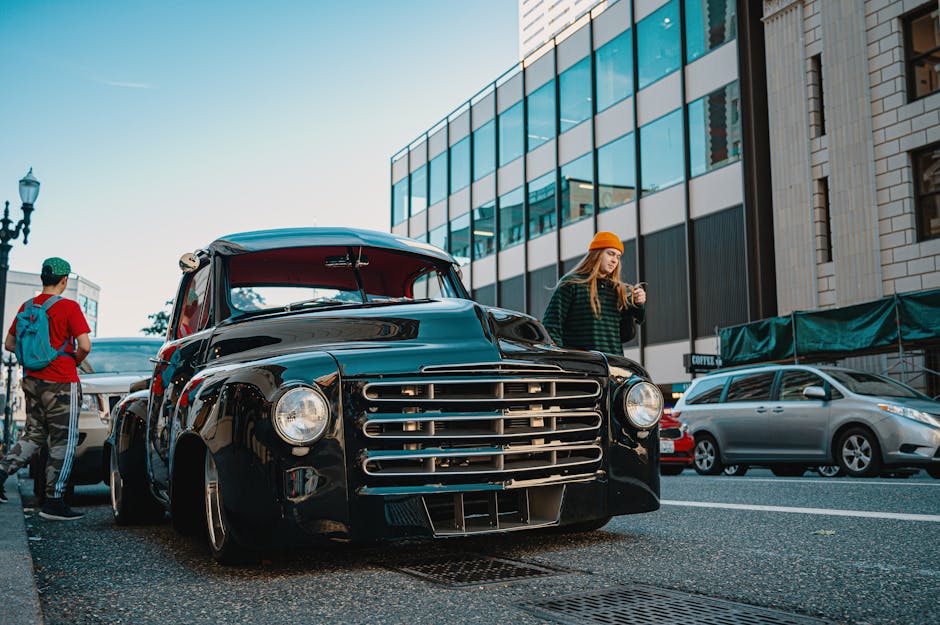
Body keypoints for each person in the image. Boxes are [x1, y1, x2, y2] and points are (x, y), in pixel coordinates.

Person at [0, 257, 92, 520]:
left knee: (33, 435)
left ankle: (1, 472)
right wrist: (71, 359)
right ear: (64, 280)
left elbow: (9, 344)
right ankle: (54, 500)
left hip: (31, 380)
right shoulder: (69, 307)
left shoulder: (26, 307)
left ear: (43, 278)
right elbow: (85, 346)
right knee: (64, 440)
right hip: (62, 381)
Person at [541, 231, 646, 356]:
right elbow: (551, 325)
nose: (614, 261)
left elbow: (624, 335)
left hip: (612, 366)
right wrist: (564, 358)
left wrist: (638, 304)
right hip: (580, 365)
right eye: (610, 254)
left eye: (618, 256)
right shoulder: (572, 283)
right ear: (596, 254)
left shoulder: (617, 290)